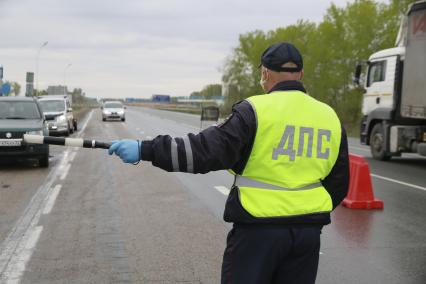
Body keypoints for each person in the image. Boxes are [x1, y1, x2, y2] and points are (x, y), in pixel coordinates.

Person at [108, 42, 350, 284]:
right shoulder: (329, 116)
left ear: (265, 73)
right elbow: (339, 182)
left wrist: (145, 149)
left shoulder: (255, 110)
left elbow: (202, 151)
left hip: (257, 232)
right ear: (301, 74)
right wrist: (309, 215)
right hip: (307, 236)